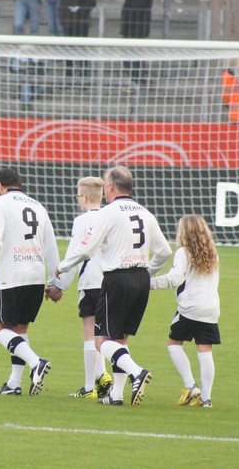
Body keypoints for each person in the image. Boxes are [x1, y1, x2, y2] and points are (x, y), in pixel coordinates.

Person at [55, 166, 172, 406]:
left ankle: (137, 372)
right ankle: (116, 394)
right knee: (121, 340)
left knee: (102, 341)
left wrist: (62, 267)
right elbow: (164, 251)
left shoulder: (108, 212)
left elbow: (87, 248)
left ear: (110, 186)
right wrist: (146, 272)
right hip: (141, 279)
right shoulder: (145, 213)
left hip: (117, 279)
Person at [0, 167, 60, 396]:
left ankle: (36, 362)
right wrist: (55, 282)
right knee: (20, 329)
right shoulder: (38, 206)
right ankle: (14, 383)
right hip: (36, 275)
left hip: (12, 275)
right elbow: (51, 246)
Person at [47, 177, 113, 400]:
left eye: (78, 196)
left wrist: (58, 286)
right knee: (103, 333)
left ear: (84, 197)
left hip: (90, 282)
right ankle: (102, 375)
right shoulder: (110, 216)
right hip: (110, 281)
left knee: (89, 333)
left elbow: (74, 256)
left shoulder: (81, 221)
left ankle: (88, 387)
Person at [150, 215, 220, 408]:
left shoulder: (183, 252)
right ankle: (206, 399)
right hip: (211, 309)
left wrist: (148, 283)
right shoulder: (213, 253)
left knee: (174, 344)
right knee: (205, 351)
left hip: (189, 308)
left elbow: (174, 279)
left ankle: (190, 386)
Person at [120, 0, 153, 84]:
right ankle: (137, 79)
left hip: (135, 27)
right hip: (135, 27)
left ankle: (137, 80)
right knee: (133, 55)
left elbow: (136, 10)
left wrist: (127, 20)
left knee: (133, 56)